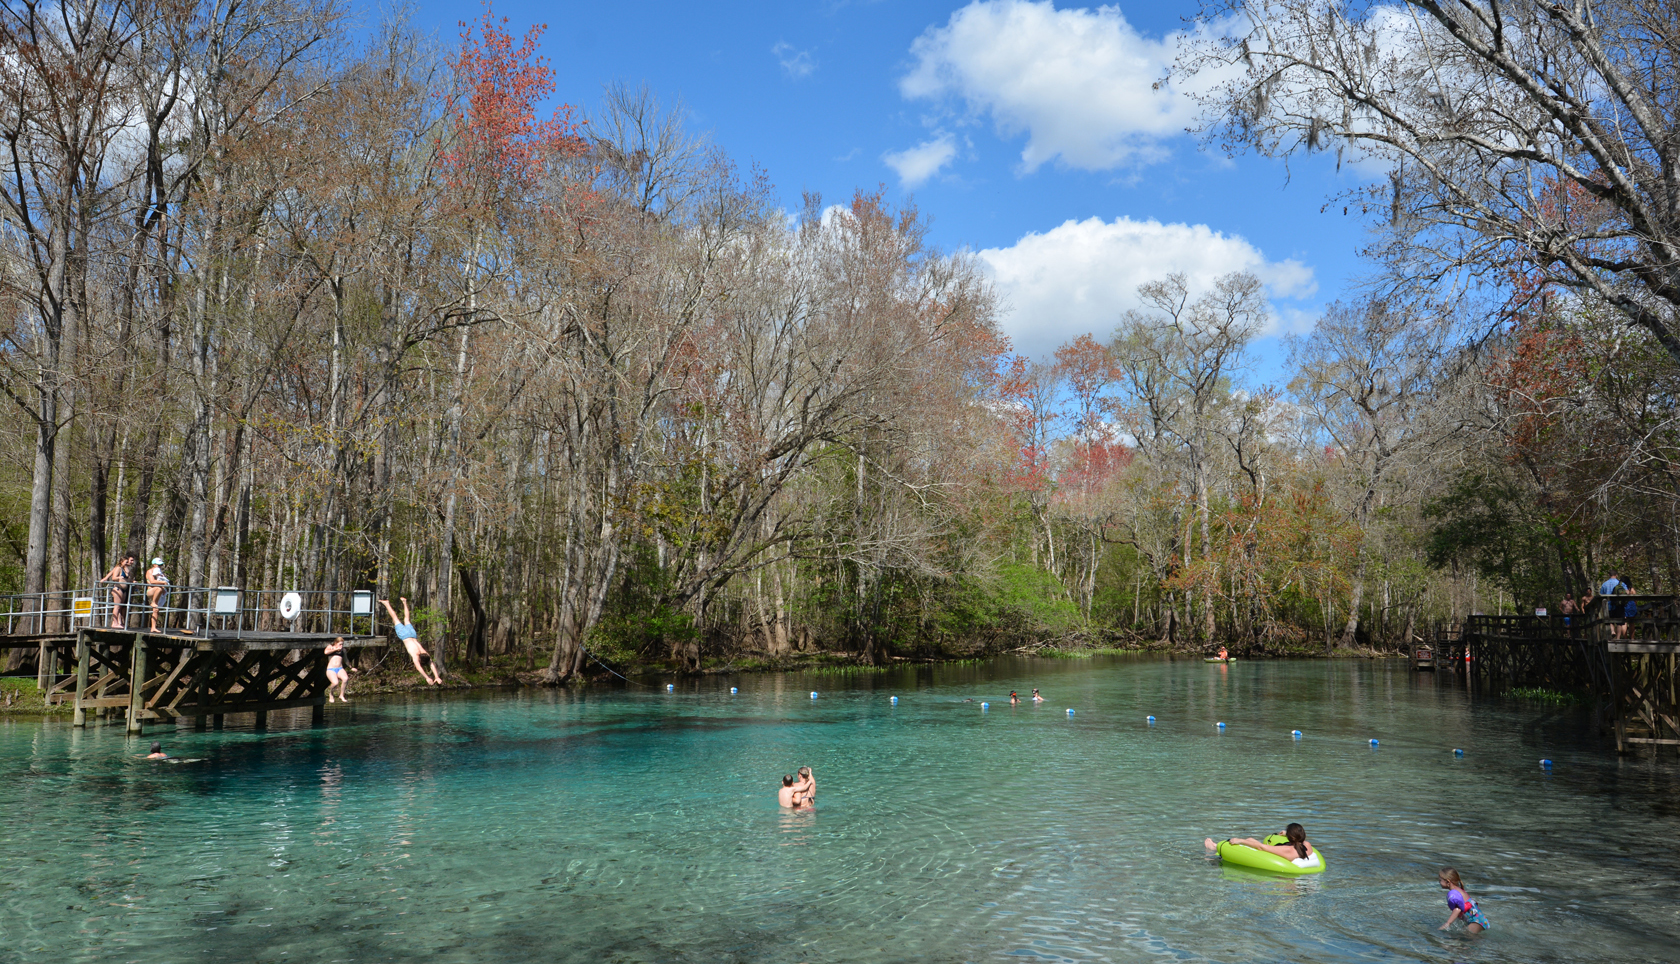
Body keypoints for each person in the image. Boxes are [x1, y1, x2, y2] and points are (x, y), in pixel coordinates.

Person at [380, 597, 442, 685]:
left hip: (413, 635)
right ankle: (387, 604)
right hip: (405, 636)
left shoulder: (425, 654)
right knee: (395, 618)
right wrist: (427, 678)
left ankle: (404, 602)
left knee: (406, 619)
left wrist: (437, 677)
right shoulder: (416, 656)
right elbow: (419, 668)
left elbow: (431, 664)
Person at [1204, 823, 1319, 869]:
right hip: (1289, 850)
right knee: (1251, 840)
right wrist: (1286, 834)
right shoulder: (1307, 845)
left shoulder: (1286, 850)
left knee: (1249, 840)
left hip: (1272, 856)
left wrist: (1240, 840)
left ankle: (1214, 848)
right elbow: (1300, 840)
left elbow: (1261, 847)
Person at [1438, 867, 1490, 933]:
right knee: (1467, 938)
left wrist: (1447, 923)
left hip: (1476, 921)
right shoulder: (1458, 891)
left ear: (1448, 881)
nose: (1439, 882)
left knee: (1467, 937)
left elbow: (1458, 909)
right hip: (1478, 920)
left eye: (1440, 880)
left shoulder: (1454, 893)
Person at [103, 553, 136, 628]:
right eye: (125, 561)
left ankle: (119, 622)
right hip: (118, 589)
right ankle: (114, 623)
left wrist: (132, 581)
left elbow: (128, 578)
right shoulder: (118, 568)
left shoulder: (125, 569)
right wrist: (119, 577)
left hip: (124, 589)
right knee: (117, 606)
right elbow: (114, 577)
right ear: (122, 561)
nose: (127, 562)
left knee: (121, 607)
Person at [324, 637, 354, 702]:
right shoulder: (331, 647)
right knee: (335, 683)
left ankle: (341, 695)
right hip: (331, 669)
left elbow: (346, 660)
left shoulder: (343, 650)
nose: (341, 646)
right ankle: (331, 694)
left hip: (340, 668)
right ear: (336, 643)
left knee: (345, 679)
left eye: (342, 644)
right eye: (340, 644)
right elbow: (326, 652)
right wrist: (335, 650)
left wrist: (351, 667)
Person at [145, 557, 170, 631]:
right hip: (151, 590)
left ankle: (153, 627)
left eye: (161, 565)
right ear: (153, 564)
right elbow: (152, 581)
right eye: (158, 565)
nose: (159, 566)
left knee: (156, 610)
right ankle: (153, 602)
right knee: (159, 588)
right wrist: (163, 583)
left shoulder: (160, 573)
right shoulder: (150, 571)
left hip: (159, 592)